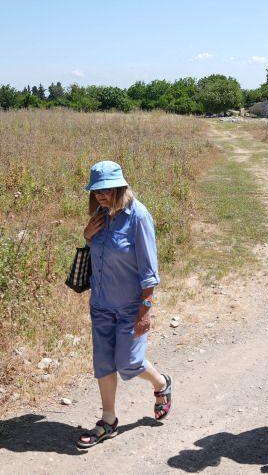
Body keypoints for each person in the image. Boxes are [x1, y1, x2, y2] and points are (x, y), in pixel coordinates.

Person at [76, 161, 172, 449]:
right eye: (95, 191)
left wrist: (145, 311)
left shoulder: (139, 217)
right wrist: (87, 235)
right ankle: (108, 420)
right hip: (101, 303)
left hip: (131, 306)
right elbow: (96, 253)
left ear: (120, 186)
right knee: (104, 363)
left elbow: (150, 272)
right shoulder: (99, 215)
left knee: (128, 363)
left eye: (105, 190)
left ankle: (161, 384)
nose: (100, 196)